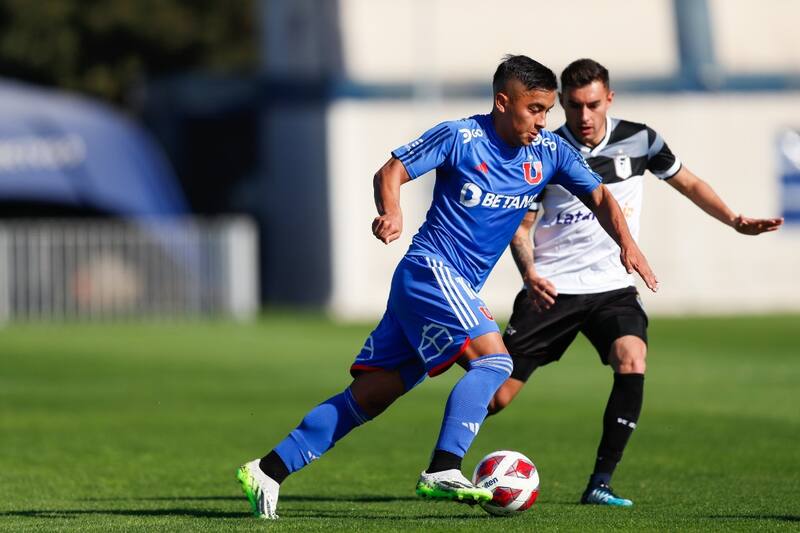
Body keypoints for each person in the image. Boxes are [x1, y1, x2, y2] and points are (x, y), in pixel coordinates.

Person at [235, 54, 659, 520]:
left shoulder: (550, 154)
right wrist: (392, 210)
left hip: (437, 288)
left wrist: (628, 244)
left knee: (373, 396)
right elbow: (390, 170)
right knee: (496, 359)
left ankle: (268, 470)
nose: (544, 121)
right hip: (430, 271)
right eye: (535, 109)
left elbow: (599, 196)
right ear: (503, 102)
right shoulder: (460, 136)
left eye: (547, 110)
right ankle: (443, 467)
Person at [489, 58, 784, 507]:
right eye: (572, 106)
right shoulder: (542, 149)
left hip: (612, 287)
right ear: (562, 104)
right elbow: (522, 227)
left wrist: (734, 220)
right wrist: (529, 273)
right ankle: (442, 455)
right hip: (553, 289)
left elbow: (689, 183)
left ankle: (600, 482)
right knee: (496, 398)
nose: (583, 117)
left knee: (632, 357)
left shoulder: (640, 140)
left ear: (609, 98)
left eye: (591, 105)